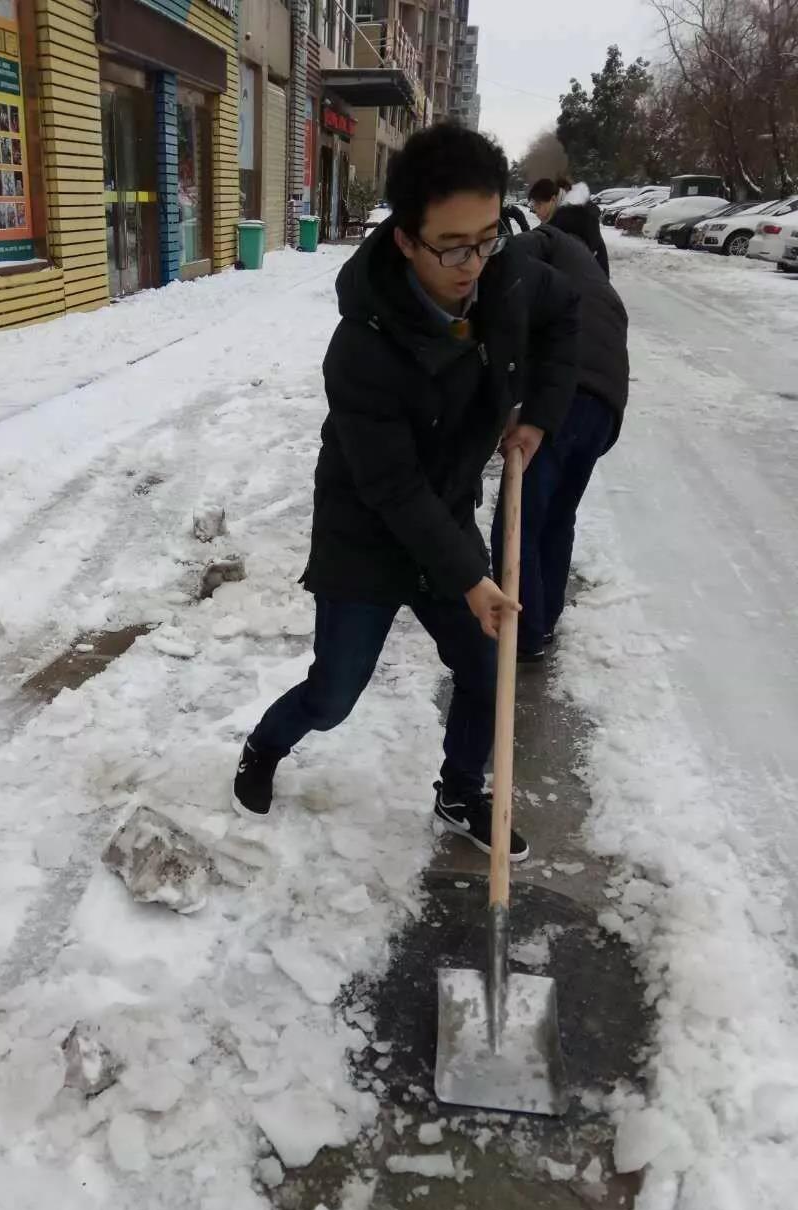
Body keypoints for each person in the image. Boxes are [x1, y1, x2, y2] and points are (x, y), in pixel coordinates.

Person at [232, 124, 579, 861]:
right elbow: (390, 487)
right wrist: (470, 577)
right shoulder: (360, 350)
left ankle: (459, 791)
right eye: (454, 246)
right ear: (404, 240)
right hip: (365, 536)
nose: (474, 263)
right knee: (334, 695)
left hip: (445, 518)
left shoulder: (505, 271)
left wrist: (539, 416)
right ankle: (264, 744)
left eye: (488, 238)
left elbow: (565, 317)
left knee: (488, 667)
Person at [492, 220, 629, 661]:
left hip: (563, 398)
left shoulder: (546, 240)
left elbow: (503, 264)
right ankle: (544, 622)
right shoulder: (600, 282)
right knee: (558, 516)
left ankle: (523, 634)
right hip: (604, 411)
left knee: (518, 521)